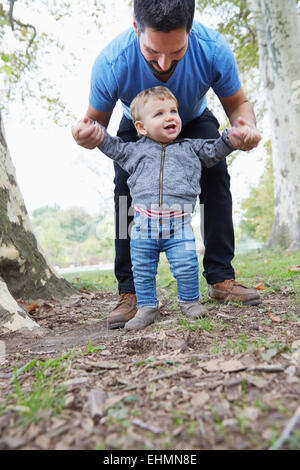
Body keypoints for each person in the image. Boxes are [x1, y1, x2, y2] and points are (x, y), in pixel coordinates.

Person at [72, 0, 262, 330]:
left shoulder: (212, 47)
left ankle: (221, 278)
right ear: (136, 27)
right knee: (123, 193)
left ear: (190, 30)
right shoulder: (112, 61)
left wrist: (244, 129)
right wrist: (88, 135)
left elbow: (238, 104)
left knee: (216, 175)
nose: (163, 64)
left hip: (191, 118)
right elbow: (96, 125)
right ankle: (129, 290)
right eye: (153, 53)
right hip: (139, 123)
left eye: (176, 54)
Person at [78, 86, 247, 330]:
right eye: (159, 114)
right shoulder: (133, 151)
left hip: (178, 226)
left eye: (173, 111)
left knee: (186, 265)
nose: (170, 117)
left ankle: (189, 302)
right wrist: (94, 132)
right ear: (141, 127)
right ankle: (147, 307)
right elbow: (111, 146)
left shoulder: (191, 148)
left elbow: (214, 150)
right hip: (143, 226)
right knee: (143, 270)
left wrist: (231, 138)